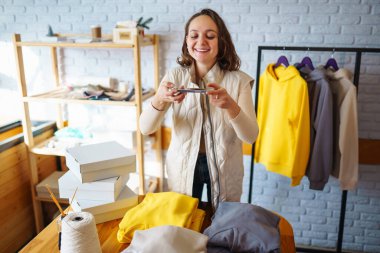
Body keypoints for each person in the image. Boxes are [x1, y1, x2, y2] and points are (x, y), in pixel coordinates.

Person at [139, 8, 259, 210]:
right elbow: (145, 128)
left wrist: (230, 106)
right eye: (194, 35)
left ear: (221, 42)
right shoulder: (175, 77)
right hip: (183, 166)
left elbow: (250, 136)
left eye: (210, 36)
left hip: (224, 169)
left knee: (220, 224)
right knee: (183, 222)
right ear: (187, 41)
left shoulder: (239, 81)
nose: (201, 42)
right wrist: (160, 99)